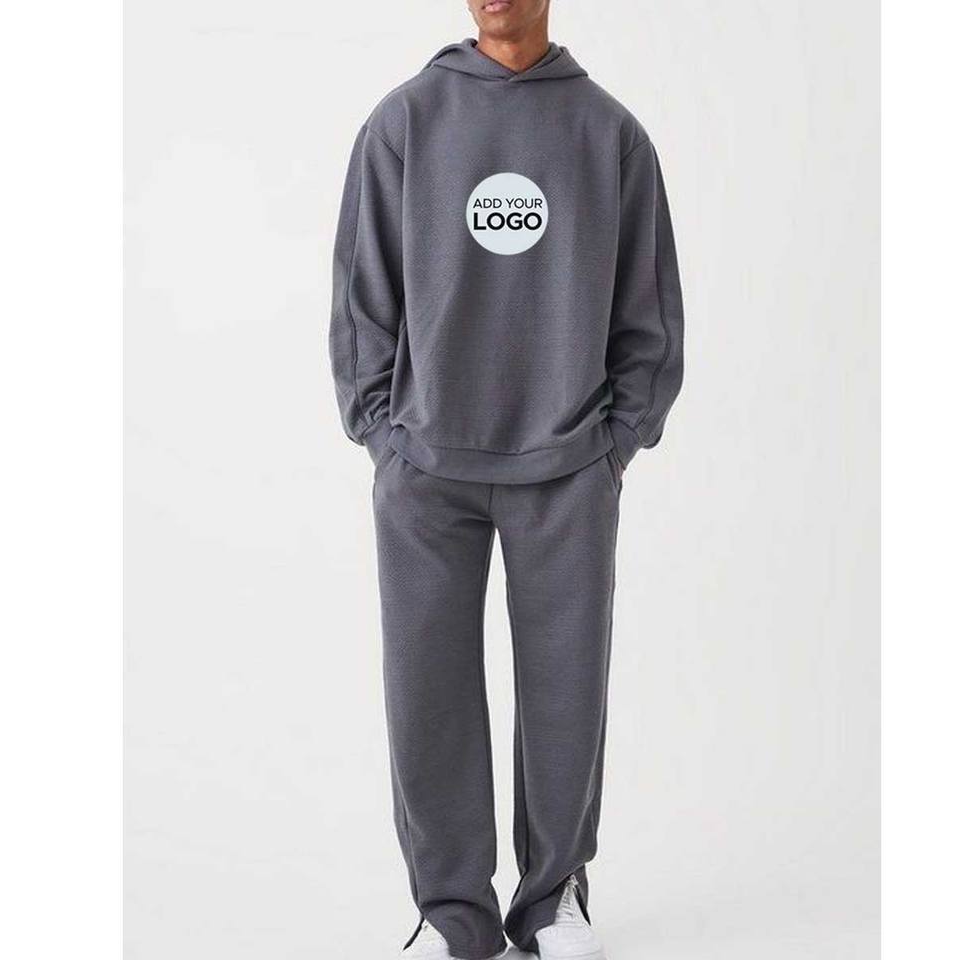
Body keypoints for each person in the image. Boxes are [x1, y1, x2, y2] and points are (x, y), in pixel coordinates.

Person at [329, 1, 683, 957]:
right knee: (426, 694)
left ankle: (552, 898)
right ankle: (453, 914)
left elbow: (649, 312)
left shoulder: (609, 132)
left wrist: (615, 444)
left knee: (566, 693)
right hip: (426, 465)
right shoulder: (405, 121)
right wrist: (383, 435)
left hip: (567, 465)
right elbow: (362, 297)